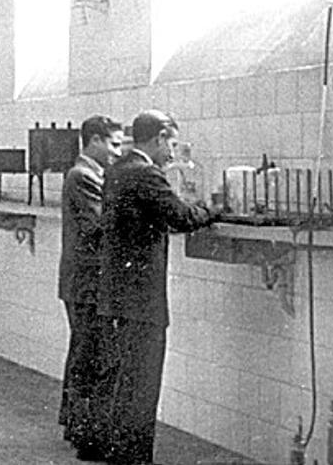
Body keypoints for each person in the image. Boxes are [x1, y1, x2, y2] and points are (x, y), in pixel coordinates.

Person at [97, 110, 216, 465]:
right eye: (172, 144)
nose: (172, 153)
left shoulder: (117, 169)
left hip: (117, 295)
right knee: (143, 384)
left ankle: (120, 454)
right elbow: (180, 217)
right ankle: (134, 458)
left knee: (124, 382)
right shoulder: (147, 172)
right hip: (141, 300)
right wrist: (215, 209)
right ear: (159, 137)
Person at [57, 115, 125, 460]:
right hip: (86, 283)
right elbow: (100, 226)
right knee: (92, 356)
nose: (117, 151)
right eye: (113, 144)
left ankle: (77, 425)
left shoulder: (89, 175)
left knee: (84, 353)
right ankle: (86, 432)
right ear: (94, 140)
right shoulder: (83, 176)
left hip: (83, 282)